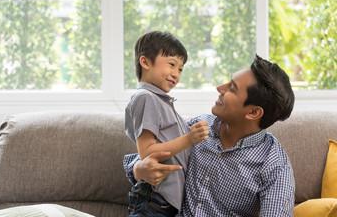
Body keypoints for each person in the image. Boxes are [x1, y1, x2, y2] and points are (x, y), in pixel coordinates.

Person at [124, 55, 296, 216]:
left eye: (232, 88)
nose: (220, 88)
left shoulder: (274, 164)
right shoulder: (198, 127)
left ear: (253, 112)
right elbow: (152, 153)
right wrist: (138, 170)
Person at [125, 31, 209, 216]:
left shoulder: (162, 102)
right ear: (145, 62)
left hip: (166, 201)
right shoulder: (146, 98)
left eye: (180, 69)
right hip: (154, 198)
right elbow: (146, 153)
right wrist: (189, 139)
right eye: (171, 64)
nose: (176, 74)